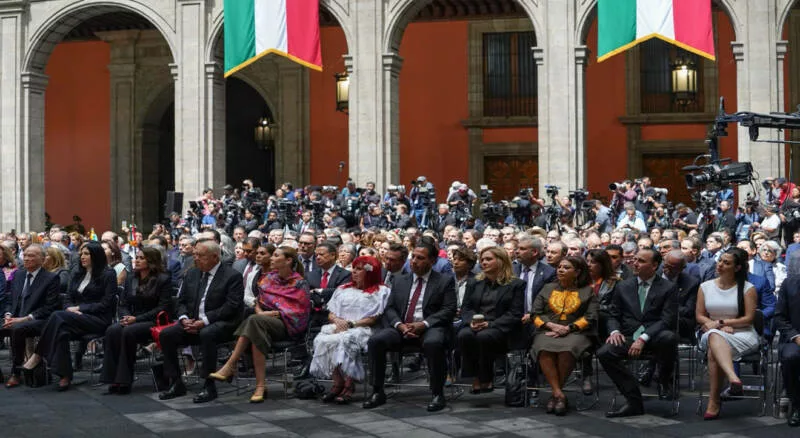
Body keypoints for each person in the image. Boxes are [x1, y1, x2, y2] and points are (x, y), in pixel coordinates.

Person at [363, 240, 456, 412]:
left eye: (420, 258)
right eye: (413, 257)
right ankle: (377, 391)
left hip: (430, 327)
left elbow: (448, 309)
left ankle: (437, 393)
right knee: (376, 341)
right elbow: (390, 308)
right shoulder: (400, 280)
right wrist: (400, 325)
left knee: (434, 343)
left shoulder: (444, 281)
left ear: (432, 261)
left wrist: (423, 324)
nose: (414, 261)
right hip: (402, 327)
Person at [208, 246, 309, 403]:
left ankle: (231, 364)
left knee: (254, 321)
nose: (272, 258)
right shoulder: (268, 279)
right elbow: (258, 302)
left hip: (287, 326)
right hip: (262, 322)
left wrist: (278, 313)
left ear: (288, 260)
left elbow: (299, 312)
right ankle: (260, 386)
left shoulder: (299, 282)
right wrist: (260, 312)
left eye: (276, 256)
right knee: (256, 328)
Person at [158, 240, 244, 403]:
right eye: (195, 254)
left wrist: (204, 321)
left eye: (200, 255)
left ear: (215, 257)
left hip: (223, 323)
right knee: (166, 334)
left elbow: (231, 307)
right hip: (192, 322)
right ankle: (176, 382)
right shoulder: (192, 273)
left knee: (207, 333)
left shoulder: (232, 276)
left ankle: (209, 384)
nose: (195, 258)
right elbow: (181, 301)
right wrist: (184, 318)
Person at [23, 241, 117, 391]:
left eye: (86, 254)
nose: (82, 257)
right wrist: (69, 309)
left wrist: (80, 308)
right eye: (81, 254)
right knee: (61, 331)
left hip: (98, 319)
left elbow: (106, 303)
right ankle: (65, 376)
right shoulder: (77, 273)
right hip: (74, 318)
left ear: (96, 255)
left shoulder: (108, 274)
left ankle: (38, 355)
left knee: (57, 316)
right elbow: (67, 298)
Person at [598, 248, 678, 418]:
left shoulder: (668, 287)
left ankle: (664, 379)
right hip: (628, 335)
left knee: (669, 337)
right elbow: (613, 314)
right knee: (605, 352)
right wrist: (614, 331)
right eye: (635, 259)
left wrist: (643, 338)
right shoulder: (623, 286)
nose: (635, 263)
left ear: (654, 265)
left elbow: (667, 320)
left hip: (655, 336)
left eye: (641, 261)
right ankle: (634, 400)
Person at [311, 256, 390, 403]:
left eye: (359, 269)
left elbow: (374, 318)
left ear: (370, 272)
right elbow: (331, 312)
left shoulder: (381, 291)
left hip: (364, 328)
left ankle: (349, 384)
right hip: (341, 325)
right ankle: (337, 382)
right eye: (354, 268)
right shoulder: (343, 289)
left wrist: (351, 324)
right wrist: (338, 321)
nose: (354, 271)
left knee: (347, 339)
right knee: (322, 339)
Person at [695, 248, 759, 420]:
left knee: (713, 349)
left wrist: (721, 323)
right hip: (713, 331)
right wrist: (716, 327)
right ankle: (733, 377)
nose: (720, 265)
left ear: (737, 268)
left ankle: (714, 401)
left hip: (742, 334)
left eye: (726, 263)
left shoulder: (748, 288)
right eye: (720, 261)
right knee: (714, 337)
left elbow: (748, 319)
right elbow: (700, 315)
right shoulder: (705, 287)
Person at [531, 256, 597, 415]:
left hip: (576, 331)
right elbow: (535, 314)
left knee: (568, 349)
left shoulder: (587, 291)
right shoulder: (548, 288)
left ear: (577, 272)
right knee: (544, 348)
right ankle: (559, 394)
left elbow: (591, 317)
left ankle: (555, 394)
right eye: (559, 267)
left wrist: (568, 328)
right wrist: (552, 325)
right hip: (547, 329)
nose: (560, 270)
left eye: (566, 268)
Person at [100, 247, 172, 394]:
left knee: (128, 332)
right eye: (136, 257)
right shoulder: (131, 278)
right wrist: (126, 317)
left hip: (153, 320)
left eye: (141, 258)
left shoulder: (163, 279)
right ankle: (112, 378)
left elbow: (163, 307)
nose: (137, 260)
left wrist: (136, 319)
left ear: (151, 261)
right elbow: (123, 304)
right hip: (132, 319)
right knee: (112, 330)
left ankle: (124, 380)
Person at [458, 247, 525, 394]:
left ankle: (486, 378)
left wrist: (490, 324)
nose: (484, 262)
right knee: (464, 335)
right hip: (477, 324)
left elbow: (515, 313)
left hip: (501, 327)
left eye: (488, 259)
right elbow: (466, 308)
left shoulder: (516, 284)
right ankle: (475, 377)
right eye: (482, 260)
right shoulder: (474, 282)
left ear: (501, 261)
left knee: (484, 336)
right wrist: (470, 322)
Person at [1, 245, 60, 387]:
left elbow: (49, 307)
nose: (27, 258)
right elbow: (10, 300)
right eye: (25, 255)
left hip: (38, 320)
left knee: (18, 329)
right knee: (9, 325)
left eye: (32, 256)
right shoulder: (19, 275)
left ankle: (16, 372)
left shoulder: (51, 278)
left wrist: (25, 318)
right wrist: (8, 314)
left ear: (43, 259)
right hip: (15, 317)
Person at [775, 251, 800, 427]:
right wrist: (795, 336)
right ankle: (797, 404)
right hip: (795, 337)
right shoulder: (789, 284)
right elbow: (779, 317)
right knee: (791, 357)